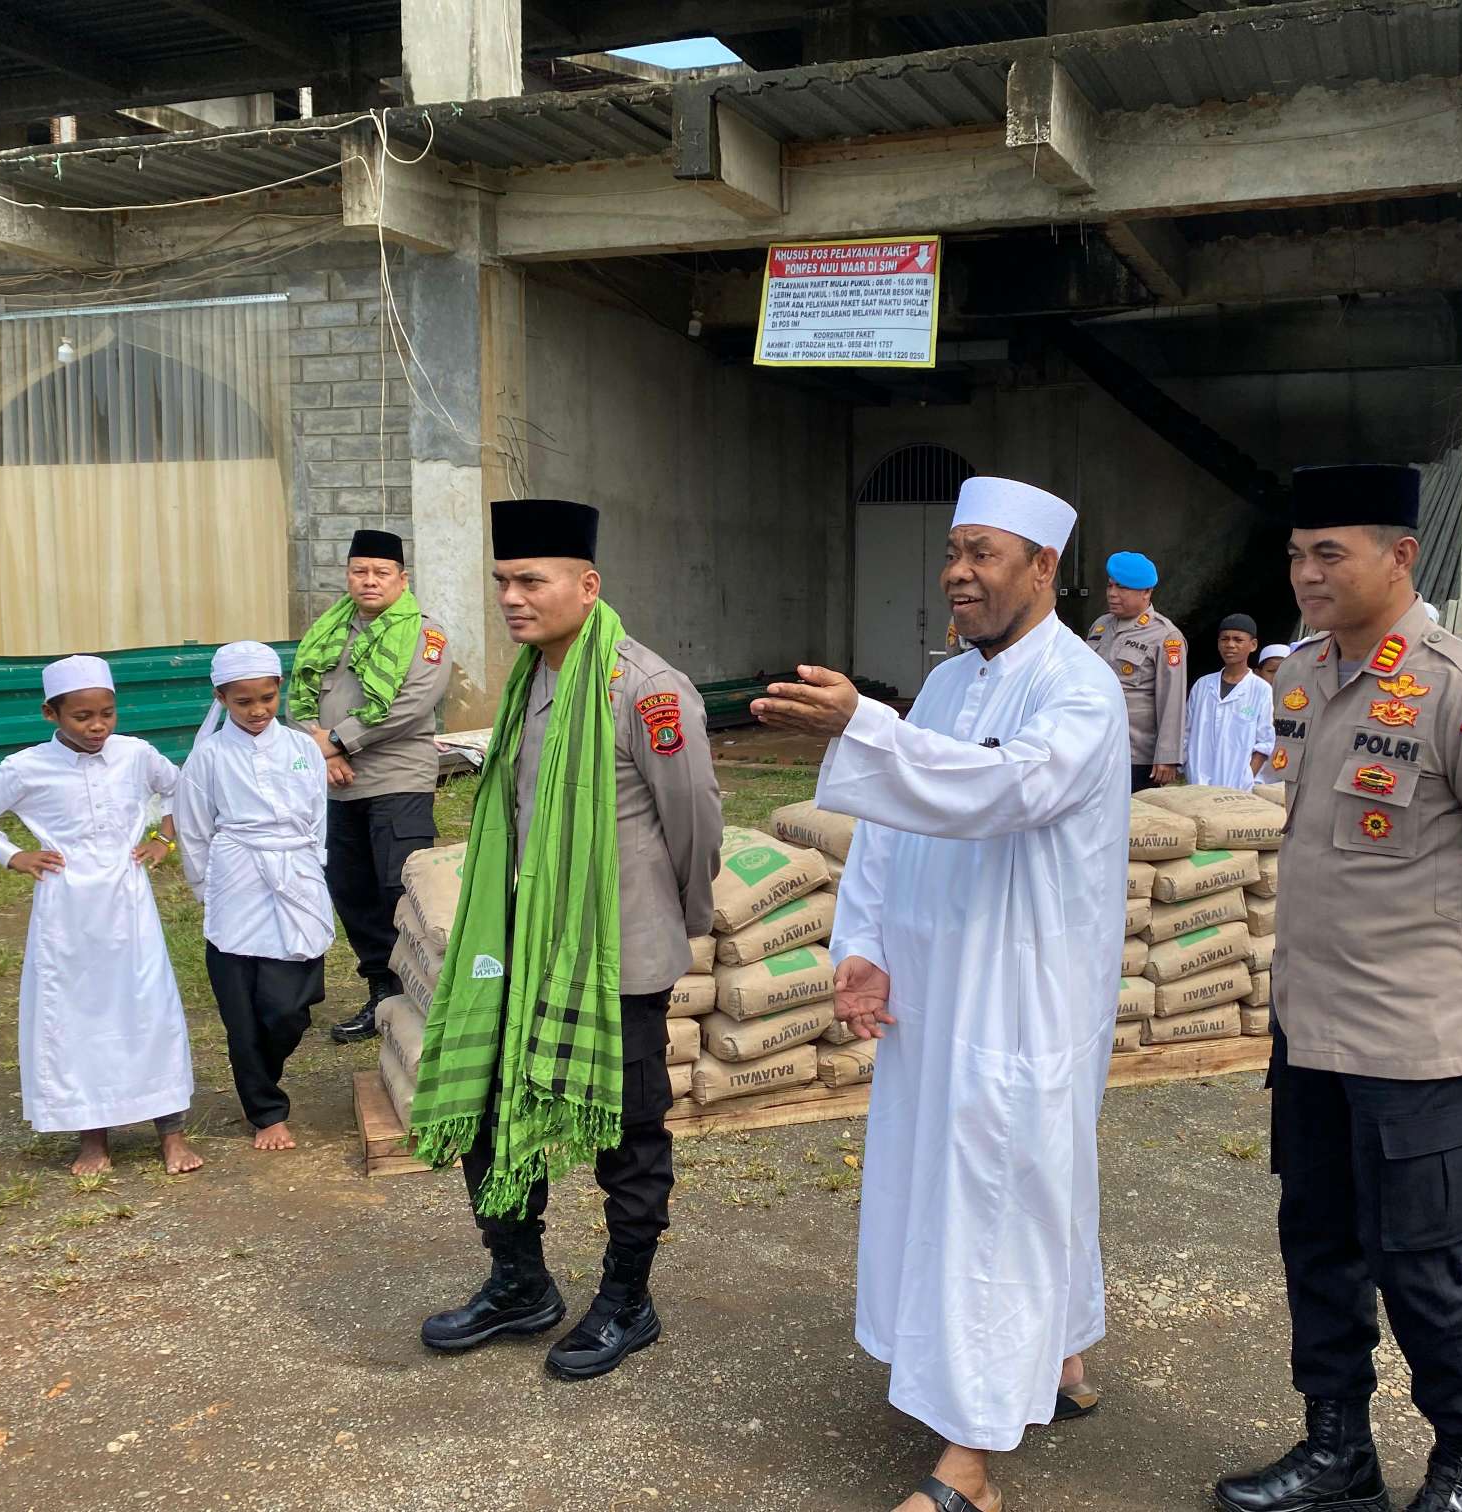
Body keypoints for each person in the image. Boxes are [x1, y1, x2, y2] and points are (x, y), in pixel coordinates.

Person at [752, 477, 1127, 1512]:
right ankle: (1055, 1355)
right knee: (988, 1180)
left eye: (984, 553)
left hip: (1021, 987)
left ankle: (969, 1458)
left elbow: (1005, 790)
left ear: (1043, 568)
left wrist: (862, 724)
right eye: (953, 551)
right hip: (936, 977)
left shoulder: (1082, 690)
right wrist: (864, 942)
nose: (958, 572)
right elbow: (893, 822)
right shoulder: (955, 682)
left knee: (996, 1195)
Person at [1218, 464, 1462, 1512]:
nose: (1306, 573)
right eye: (1295, 554)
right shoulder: (1303, 676)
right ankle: (1337, 1449)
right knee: (1316, 1243)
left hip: (1412, 1039)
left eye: (1331, 554)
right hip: (1309, 1024)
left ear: (1400, 557)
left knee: (1420, 1262)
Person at [414, 499, 722, 1383]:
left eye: (531, 580)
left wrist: (677, 919)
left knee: (625, 1131)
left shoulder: (644, 687)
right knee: (485, 1103)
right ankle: (521, 1282)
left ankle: (628, 1298)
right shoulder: (529, 683)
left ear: (587, 587)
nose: (512, 597)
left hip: (613, 955)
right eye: (504, 581)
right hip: (515, 947)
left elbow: (696, 824)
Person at [0, 655, 200, 1177]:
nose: (98, 725)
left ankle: (170, 1133)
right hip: (67, 910)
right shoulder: (26, 767)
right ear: (51, 713)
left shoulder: (135, 755)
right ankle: (92, 1138)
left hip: (129, 903)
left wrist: (163, 838)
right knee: (77, 1015)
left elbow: (181, 790)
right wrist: (13, 855)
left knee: (148, 1009)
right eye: (83, 716)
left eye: (107, 712)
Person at [288, 528, 453, 1044]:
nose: (369, 581)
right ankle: (381, 990)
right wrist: (316, 744)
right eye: (360, 571)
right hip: (337, 785)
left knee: (398, 887)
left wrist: (335, 741)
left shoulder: (426, 636)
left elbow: (411, 706)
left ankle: (422, 990)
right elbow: (298, 697)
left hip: (398, 781)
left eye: (382, 572)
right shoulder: (328, 631)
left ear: (402, 579)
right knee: (351, 890)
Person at [174, 642, 333, 1154]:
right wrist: (208, 890)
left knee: (290, 1007)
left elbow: (318, 816)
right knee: (242, 1009)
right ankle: (265, 1110)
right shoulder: (209, 757)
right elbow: (195, 830)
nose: (258, 710)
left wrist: (314, 868)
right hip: (237, 879)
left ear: (279, 689)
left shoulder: (302, 747)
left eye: (266, 698)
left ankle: (262, 1075)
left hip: (297, 872)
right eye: (244, 702)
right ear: (221, 698)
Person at [1086, 550, 1187, 791]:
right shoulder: (1100, 626)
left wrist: (1167, 756)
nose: (1112, 594)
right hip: (1094, 746)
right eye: (1110, 585)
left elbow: (1172, 699)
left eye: (1122, 587)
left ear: (1146, 592)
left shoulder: (1165, 636)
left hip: (1135, 754)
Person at [1185, 613, 1277, 788]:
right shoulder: (1203, 685)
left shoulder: (1260, 690)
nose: (1230, 645)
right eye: (1224, 639)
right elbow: (1186, 731)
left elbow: (1265, 742)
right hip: (1197, 782)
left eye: (1238, 640)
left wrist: (1247, 777)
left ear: (1253, 645)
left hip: (1237, 786)